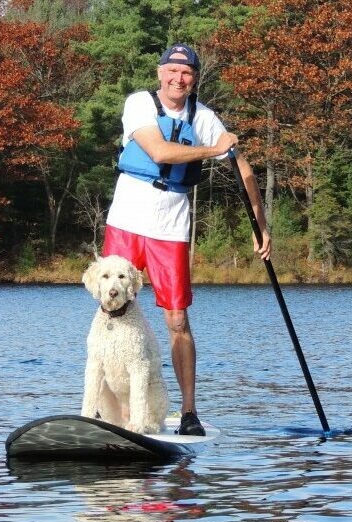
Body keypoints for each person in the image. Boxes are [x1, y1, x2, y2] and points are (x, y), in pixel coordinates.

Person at [102, 43, 271, 436]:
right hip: (127, 220)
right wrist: (215, 149)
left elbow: (242, 169)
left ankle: (189, 413)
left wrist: (259, 224)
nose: (178, 79)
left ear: (194, 79)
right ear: (161, 72)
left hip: (170, 227)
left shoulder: (203, 116)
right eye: (172, 71)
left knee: (177, 319)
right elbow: (159, 151)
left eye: (187, 74)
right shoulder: (139, 104)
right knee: (113, 311)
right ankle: (113, 409)